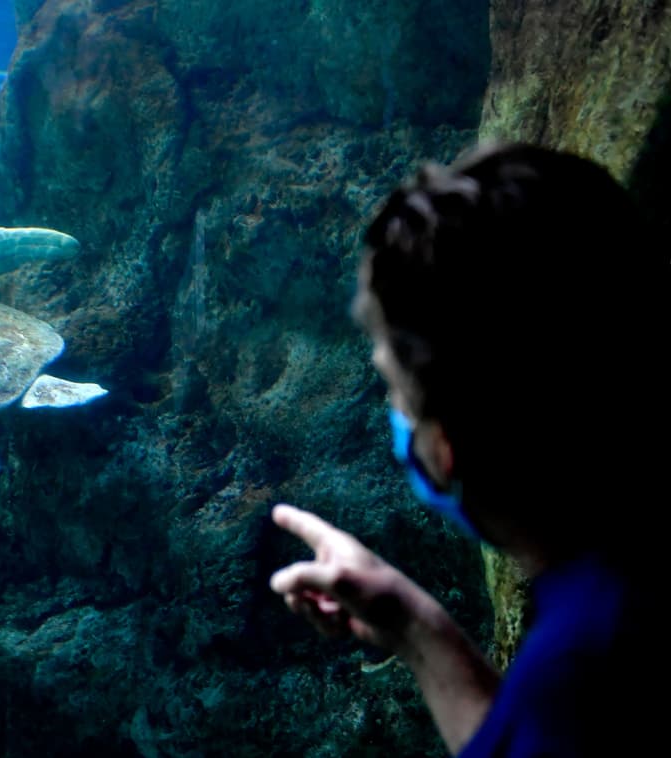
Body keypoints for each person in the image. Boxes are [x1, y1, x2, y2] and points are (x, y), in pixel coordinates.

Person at [268, 142, 666, 756]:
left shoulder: (582, 676)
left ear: (446, 448)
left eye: (398, 395)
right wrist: (409, 623)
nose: (397, 418)